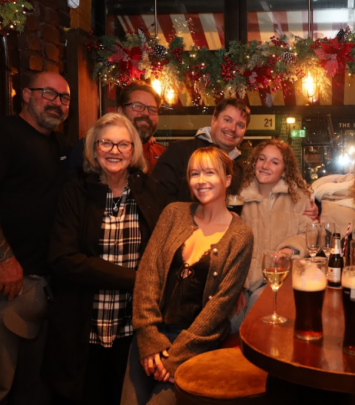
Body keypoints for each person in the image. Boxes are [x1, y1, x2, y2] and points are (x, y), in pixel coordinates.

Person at [0, 71, 72, 405]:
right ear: (25, 94)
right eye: (48, 93)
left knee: (31, 387)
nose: (57, 103)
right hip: (2, 286)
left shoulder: (60, 146)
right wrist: (5, 260)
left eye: (64, 98)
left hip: (43, 284)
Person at [44, 113, 168, 404]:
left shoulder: (151, 193)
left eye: (123, 144)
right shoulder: (75, 192)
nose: (115, 151)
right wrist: (136, 280)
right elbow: (63, 259)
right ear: (93, 148)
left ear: (134, 149)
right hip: (83, 326)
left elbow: (166, 252)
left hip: (133, 326)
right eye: (106, 143)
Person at [121, 147, 253, 405]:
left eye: (209, 173)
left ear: (227, 179)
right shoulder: (173, 213)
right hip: (150, 338)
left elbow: (220, 307)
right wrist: (149, 337)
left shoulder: (241, 236)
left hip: (195, 348)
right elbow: (148, 275)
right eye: (194, 173)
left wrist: (177, 357)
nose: (201, 180)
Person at [229, 140, 312, 332]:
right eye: (262, 159)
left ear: (284, 170)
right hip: (243, 280)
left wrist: (289, 249)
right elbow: (230, 245)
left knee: (258, 319)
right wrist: (236, 286)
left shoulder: (298, 198)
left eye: (275, 162)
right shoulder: (239, 198)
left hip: (278, 279)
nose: (265, 166)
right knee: (231, 323)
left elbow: (310, 234)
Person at [150, 98, 250, 202]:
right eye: (227, 120)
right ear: (214, 121)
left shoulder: (241, 170)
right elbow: (157, 196)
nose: (233, 128)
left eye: (240, 125)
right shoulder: (179, 151)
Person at [68, 81, 165, 176]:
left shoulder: (162, 154)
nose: (146, 113)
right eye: (137, 106)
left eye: (152, 109)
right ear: (120, 111)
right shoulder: (88, 148)